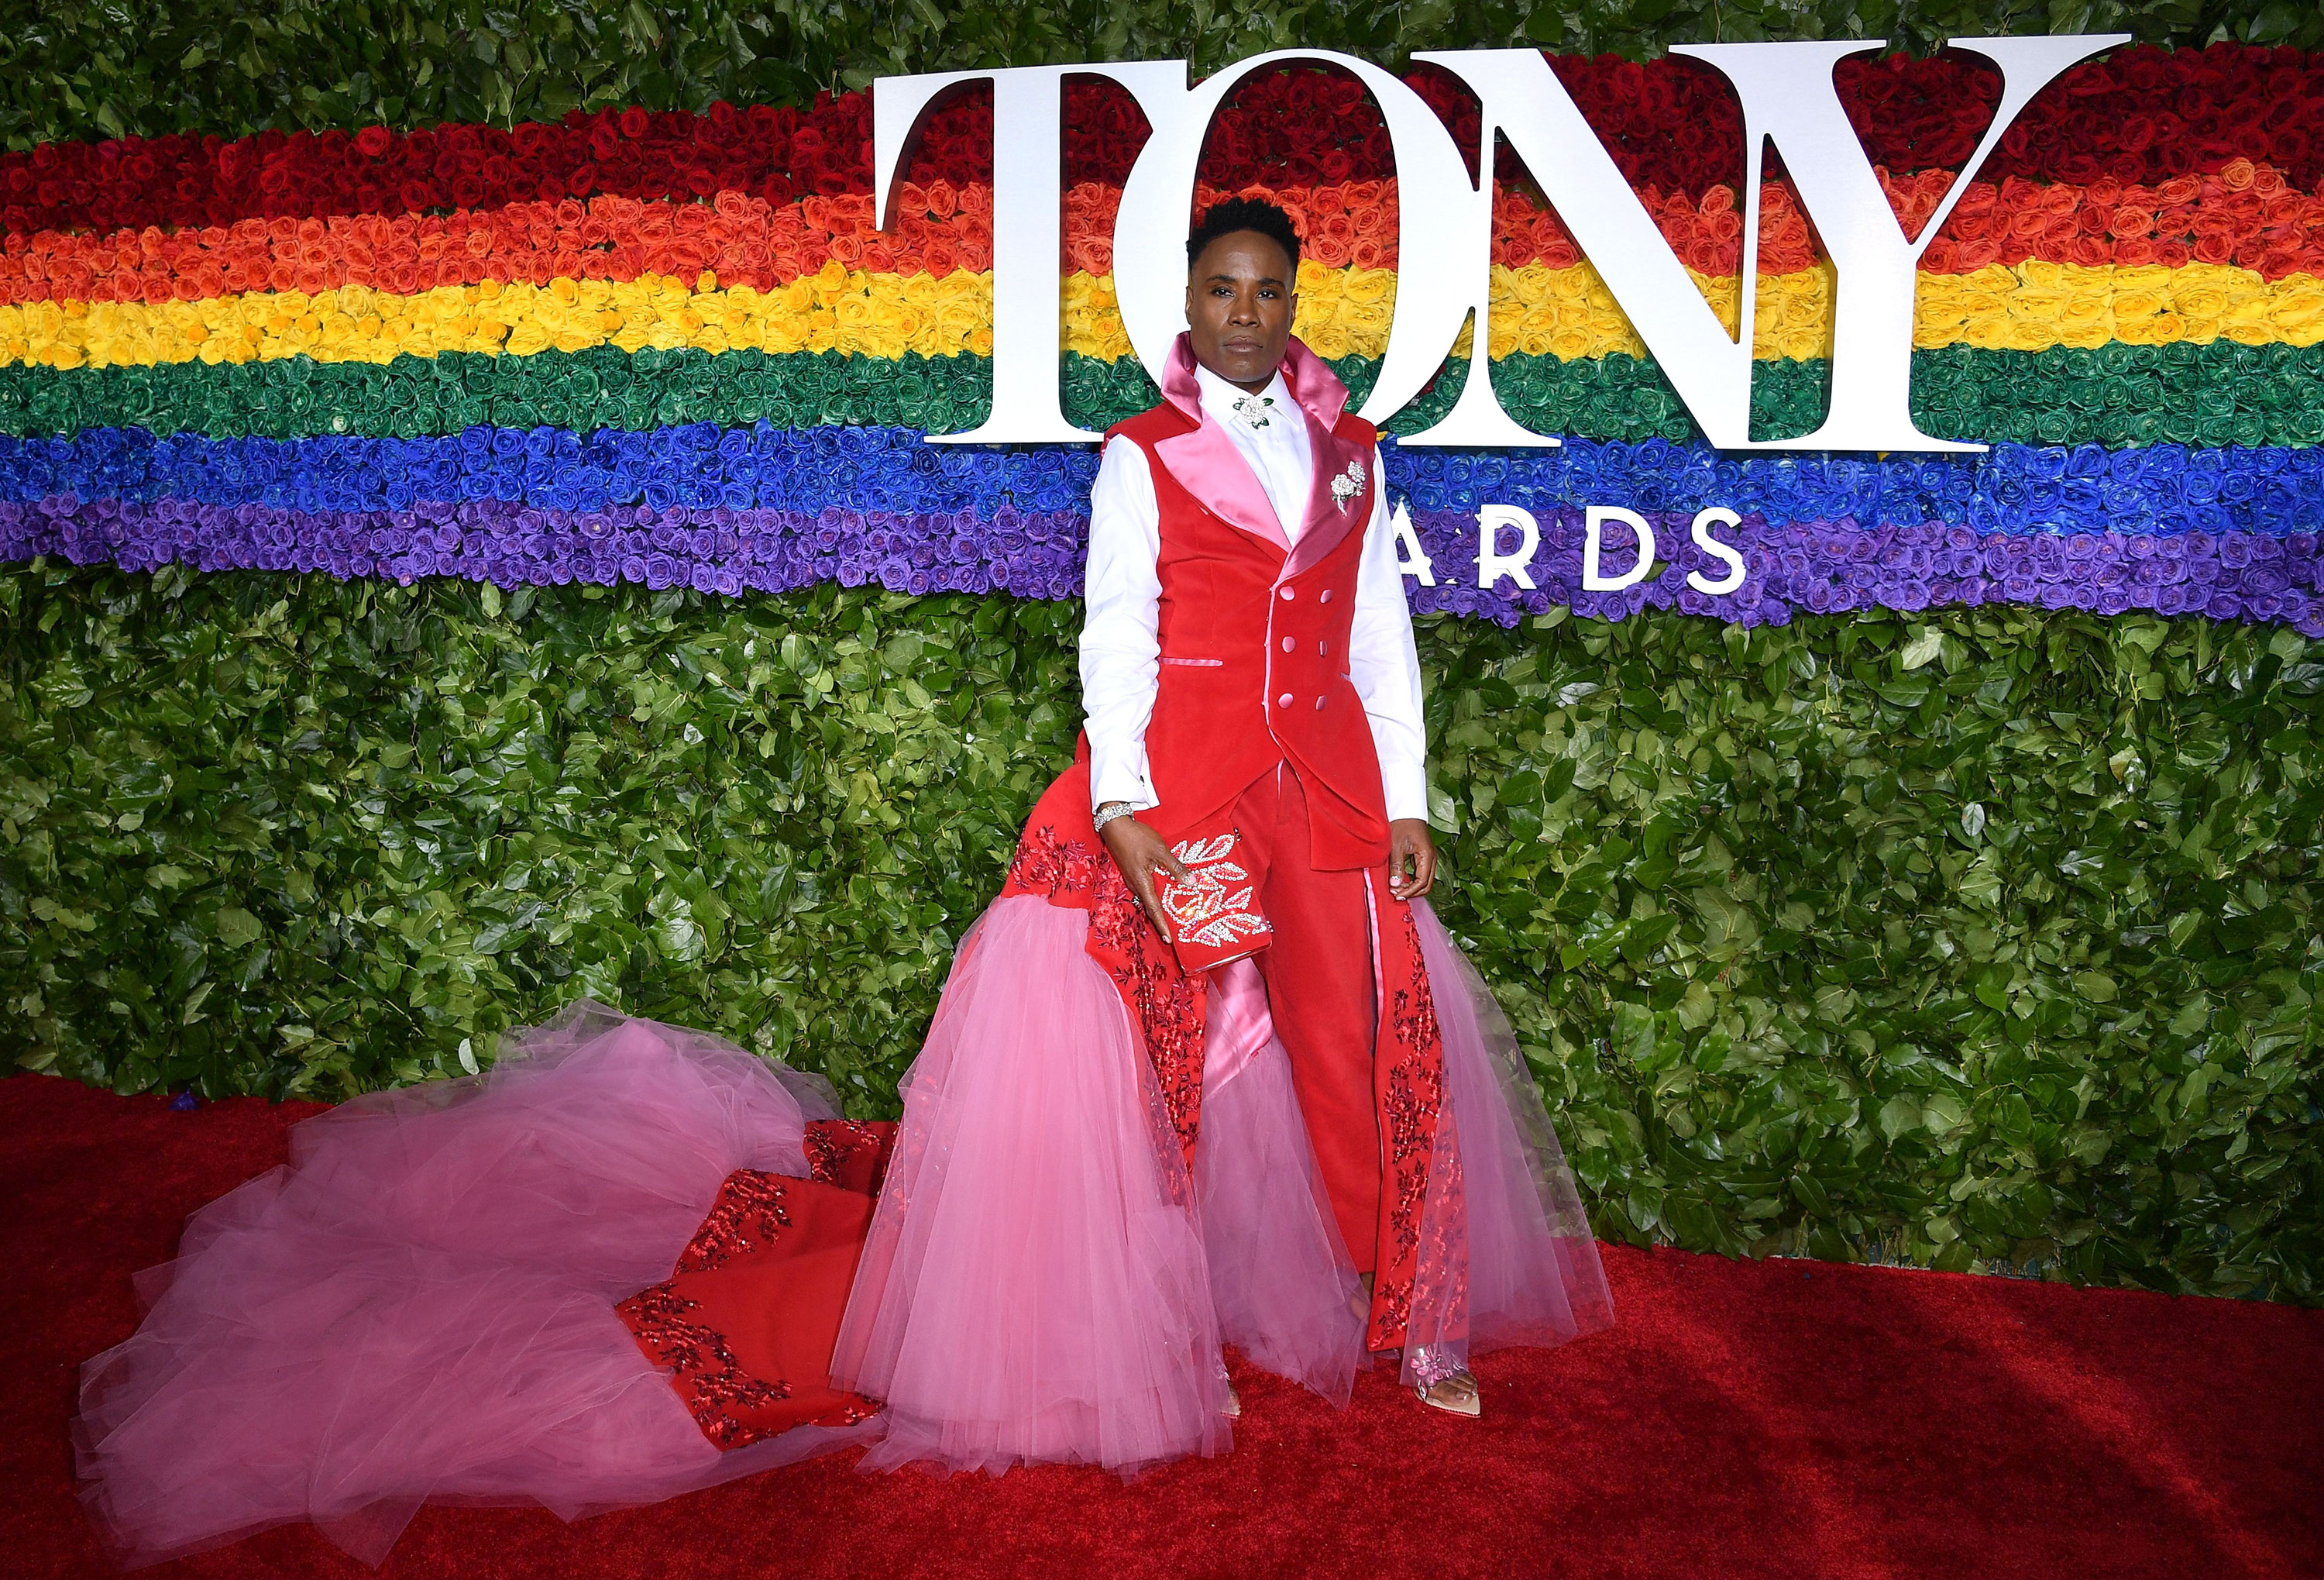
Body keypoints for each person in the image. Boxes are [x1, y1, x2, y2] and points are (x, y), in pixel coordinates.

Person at [71, 199, 1614, 1570]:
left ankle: (1417, 1322)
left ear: (1296, 302)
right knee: (1160, 1075)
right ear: (1187, 305)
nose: (1249, 313)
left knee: (1376, 1050)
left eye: (1270, 290)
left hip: (1329, 786)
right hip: (1189, 789)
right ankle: (1162, 1332)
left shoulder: (1357, 456)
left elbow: (1376, 639)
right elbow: (1113, 637)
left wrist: (1406, 796)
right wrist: (1130, 807)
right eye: (1223, 289)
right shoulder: (1141, 456)